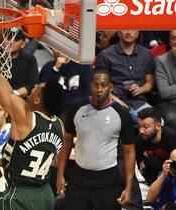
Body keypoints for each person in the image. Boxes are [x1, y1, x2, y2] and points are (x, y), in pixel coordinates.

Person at [0, 8, 64, 210]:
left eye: (37, 88)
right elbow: (27, 160)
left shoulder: (24, 114)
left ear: (38, 101)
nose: (34, 86)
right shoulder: (58, 123)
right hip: (44, 195)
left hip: (19, 196)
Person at [56, 69, 136, 210]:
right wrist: (60, 174)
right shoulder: (76, 109)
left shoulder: (122, 114)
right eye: (96, 85)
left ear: (111, 87)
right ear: (90, 86)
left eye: (104, 85)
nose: (99, 89)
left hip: (108, 180)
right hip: (78, 178)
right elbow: (67, 142)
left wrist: (128, 187)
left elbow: (129, 151)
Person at [95, 30, 155, 122]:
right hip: (113, 101)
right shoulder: (106, 55)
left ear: (137, 34)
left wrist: (141, 89)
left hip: (139, 103)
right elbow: (99, 87)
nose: (128, 32)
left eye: (132, 29)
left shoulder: (146, 54)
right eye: (125, 29)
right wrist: (115, 101)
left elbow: (149, 83)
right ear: (118, 33)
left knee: (158, 123)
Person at [39, 49, 92, 115]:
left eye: (61, 48)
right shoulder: (48, 67)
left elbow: (88, 92)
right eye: (55, 48)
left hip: (77, 109)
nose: (59, 51)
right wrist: (56, 68)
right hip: (55, 109)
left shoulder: (83, 66)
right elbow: (43, 89)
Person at [136, 107, 176, 185]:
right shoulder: (139, 141)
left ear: (158, 126)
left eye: (146, 127)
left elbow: (172, 169)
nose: (141, 131)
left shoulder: (172, 137)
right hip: (151, 182)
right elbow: (142, 168)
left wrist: (149, 161)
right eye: (139, 127)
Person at [7, 30, 39, 98]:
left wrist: (14, 94)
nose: (11, 42)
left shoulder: (29, 58)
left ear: (23, 44)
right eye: (8, 38)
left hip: (21, 98)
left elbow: (33, 84)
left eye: (16, 39)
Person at [155, 30, 176, 129]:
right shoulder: (161, 60)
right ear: (170, 41)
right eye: (173, 38)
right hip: (171, 104)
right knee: (172, 117)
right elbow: (164, 92)